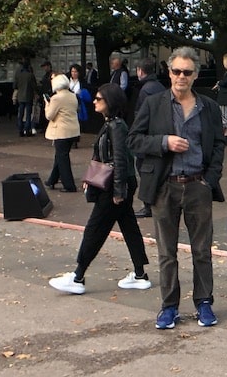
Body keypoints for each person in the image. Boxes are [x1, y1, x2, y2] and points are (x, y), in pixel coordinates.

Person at [129, 47, 226, 330]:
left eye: (187, 72)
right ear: (169, 73)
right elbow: (133, 140)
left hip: (198, 185)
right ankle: (169, 306)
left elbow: (218, 144)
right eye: (176, 71)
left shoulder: (208, 107)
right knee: (166, 252)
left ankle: (204, 302)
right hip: (165, 186)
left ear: (195, 75)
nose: (181, 76)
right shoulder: (154, 104)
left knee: (202, 250)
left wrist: (210, 180)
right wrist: (164, 142)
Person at [49, 83, 152, 295]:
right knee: (128, 227)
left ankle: (78, 276)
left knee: (95, 228)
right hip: (117, 183)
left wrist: (118, 191)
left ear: (110, 102)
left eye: (99, 99)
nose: (94, 101)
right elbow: (107, 157)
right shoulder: (113, 124)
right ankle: (140, 274)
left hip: (114, 185)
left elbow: (120, 160)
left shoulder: (116, 126)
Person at [132, 57, 166, 219]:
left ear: (140, 71)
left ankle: (148, 205)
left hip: (147, 136)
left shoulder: (145, 90)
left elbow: (141, 115)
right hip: (159, 134)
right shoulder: (160, 87)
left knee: (143, 168)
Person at [44, 73, 80, 193]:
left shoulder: (56, 98)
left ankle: (69, 185)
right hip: (73, 130)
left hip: (61, 131)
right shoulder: (73, 96)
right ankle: (52, 180)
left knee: (62, 158)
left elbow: (49, 116)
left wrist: (47, 104)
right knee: (60, 156)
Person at [14, 59, 37, 136]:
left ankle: (20, 129)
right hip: (28, 96)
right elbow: (34, 86)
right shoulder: (30, 75)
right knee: (28, 114)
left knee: (20, 114)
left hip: (20, 97)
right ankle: (27, 130)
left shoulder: (18, 75)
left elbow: (15, 86)